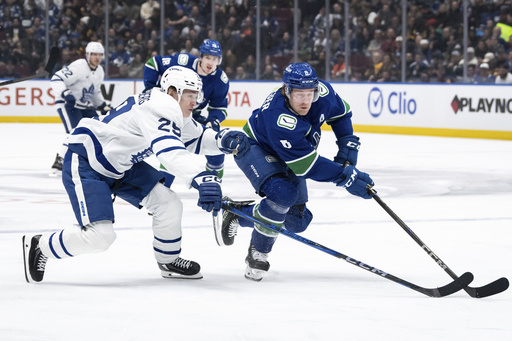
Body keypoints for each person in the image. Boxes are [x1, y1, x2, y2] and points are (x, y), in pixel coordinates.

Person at [22, 66, 249, 283]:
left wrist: (221, 140)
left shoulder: (169, 107)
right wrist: (201, 176)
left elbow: (196, 139)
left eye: (196, 95)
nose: (195, 101)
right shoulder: (160, 106)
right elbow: (169, 149)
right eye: (189, 94)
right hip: (88, 161)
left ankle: (168, 260)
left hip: (121, 165)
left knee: (168, 203)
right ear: (172, 92)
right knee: (100, 237)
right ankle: (41, 245)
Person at [219, 62, 375, 282]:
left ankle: (238, 213)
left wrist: (347, 142)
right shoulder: (279, 118)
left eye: (309, 93)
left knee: (297, 222)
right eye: (299, 94)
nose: (305, 100)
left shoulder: (323, 93)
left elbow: (342, 114)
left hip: (291, 153)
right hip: (255, 147)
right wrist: (344, 177)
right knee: (282, 194)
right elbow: (307, 166)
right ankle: (259, 252)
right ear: (286, 90)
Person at [144, 39, 229, 181]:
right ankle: (161, 189)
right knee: (173, 148)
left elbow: (219, 107)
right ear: (201, 57)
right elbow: (153, 63)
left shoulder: (220, 80)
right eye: (208, 57)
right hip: (166, 112)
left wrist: (213, 120)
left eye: (215, 59)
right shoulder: (183, 61)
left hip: (190, 115)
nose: (211, 63)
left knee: (217, 147)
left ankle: (213, 189)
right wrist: (150, 89)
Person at [49, 42, 111, 176]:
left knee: (96, 129)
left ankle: (90, 160)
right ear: (87, 55)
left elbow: (94, 91)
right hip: (68, 104)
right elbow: (56, 79)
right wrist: (65, 93)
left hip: (83, 105)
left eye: (99, 55)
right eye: (94, 54)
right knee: (75, 132)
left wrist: (102, 105)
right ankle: (60, 160)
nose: (97, 58)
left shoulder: (99, 71)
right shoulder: (79, 66)